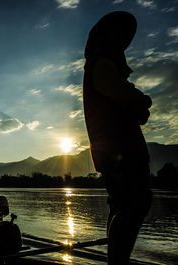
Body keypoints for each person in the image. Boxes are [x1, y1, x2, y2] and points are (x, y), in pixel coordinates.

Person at [83, 11, 152, 265]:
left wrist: (137, 103)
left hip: (116, 149)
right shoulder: (101, 62)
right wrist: (141, 101)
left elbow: (126, 98)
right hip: (120, 149)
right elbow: (120, 93)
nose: (125, 40)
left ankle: (117, 260)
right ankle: (118, 261)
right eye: (121, 33)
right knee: (135, 203)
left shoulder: (104, 64)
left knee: (123, 204)